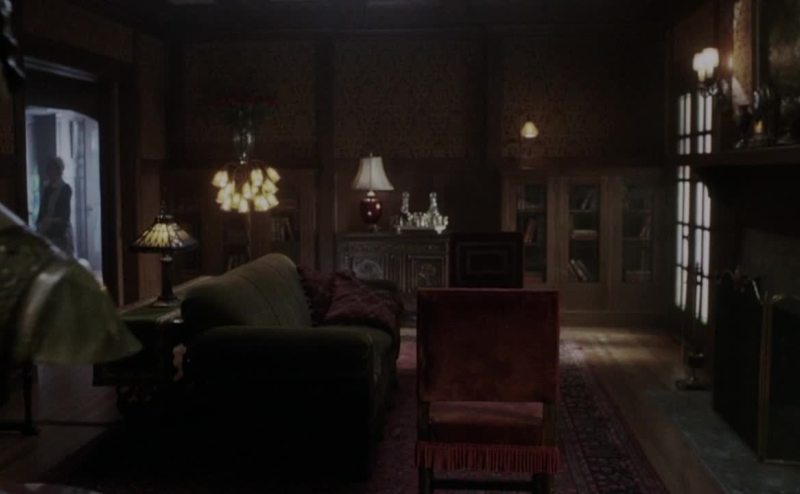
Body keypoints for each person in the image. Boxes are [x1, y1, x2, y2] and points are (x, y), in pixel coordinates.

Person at [36, 157, 74, 256]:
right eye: (48, 169)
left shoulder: (65, 189)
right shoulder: (47, 189)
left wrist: (51, 220)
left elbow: (65, 214)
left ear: (59, 171)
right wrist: (39, 224)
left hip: (59, 233)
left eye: (52, 169)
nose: (49, 172)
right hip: (46, 232)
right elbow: (42, 209)